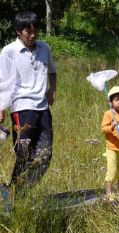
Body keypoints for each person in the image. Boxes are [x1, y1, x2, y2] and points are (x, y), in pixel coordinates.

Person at [0, 11, 57, 196]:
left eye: (35, 31)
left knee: (45, 154)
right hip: (21, 107)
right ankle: (15, 194)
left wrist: (52, 90)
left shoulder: (44, 48)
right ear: (18, 31)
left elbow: (53, 72)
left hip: (42, 107)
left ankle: (19, 191)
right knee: (24, 152)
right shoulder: (8, 51)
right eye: (28, 32)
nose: (33, 35)